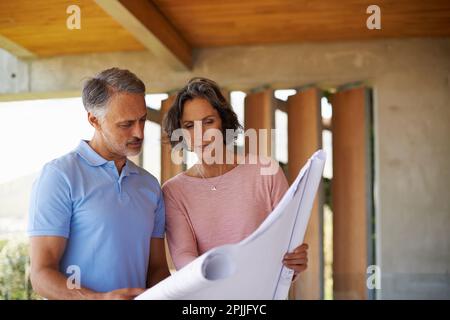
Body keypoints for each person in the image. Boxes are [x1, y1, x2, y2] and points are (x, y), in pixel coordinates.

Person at [28, 68, 170, 299]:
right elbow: (41, 274)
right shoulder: (60, 176)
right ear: (94, 119)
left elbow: (157, 270)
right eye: (126, 124)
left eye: (142, 120)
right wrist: (98, 299)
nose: (139, 132)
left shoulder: (150, 185)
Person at [162, 78, 308, 281]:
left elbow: (288, 242)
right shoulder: (173, 191)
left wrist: (295, 260)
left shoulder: (265, 172)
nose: (201, 134)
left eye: (208, 122)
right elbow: (183, 257)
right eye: (189, 126)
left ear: (223, 122)